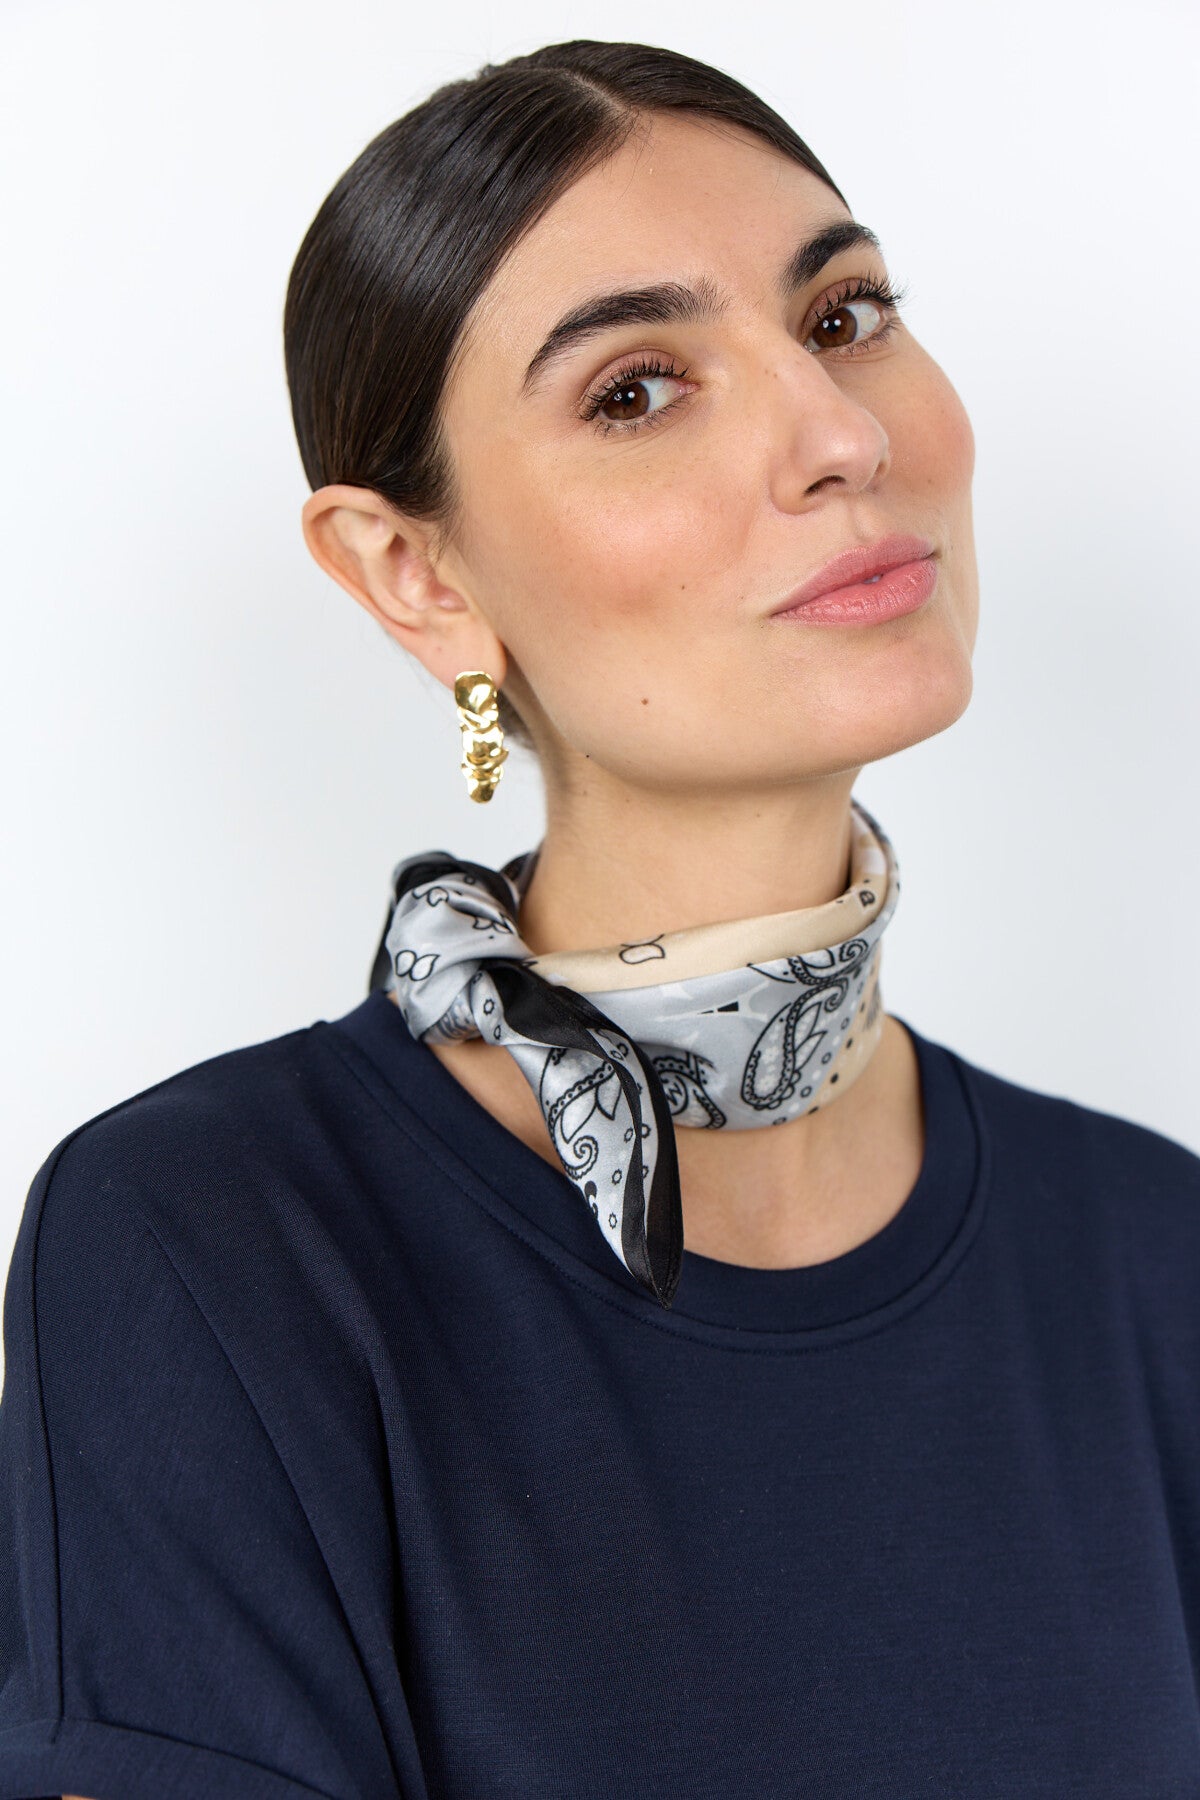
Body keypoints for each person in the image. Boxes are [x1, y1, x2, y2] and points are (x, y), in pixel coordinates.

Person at [2, 37, 1198, 1800]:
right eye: (638, 390)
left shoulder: (1159, 1255)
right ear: (417, 575)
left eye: (845, 315)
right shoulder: (214, 1248)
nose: (843, 434)